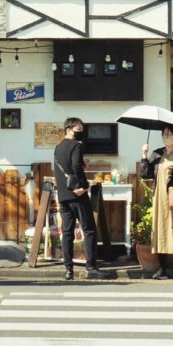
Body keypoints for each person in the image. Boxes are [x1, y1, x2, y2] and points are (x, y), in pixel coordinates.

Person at [52, 117, 112, 280]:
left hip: (63, 195)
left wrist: (69, 187)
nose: (81, 133)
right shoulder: (76, 146)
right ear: (69, 129)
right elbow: (76, 167)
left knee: (67, 232)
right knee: (89, 230)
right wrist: (83, 186)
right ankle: (91, 267)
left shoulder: (57, 148)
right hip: (77, 195)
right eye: (78, 130)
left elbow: (62, 169)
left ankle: (68, 270)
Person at [140, 125, 173, 280]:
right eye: (164, 134)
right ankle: (162, 269)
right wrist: (144, 155)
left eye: (170, 134)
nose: (166, 137)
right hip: (160, 198)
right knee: (161, 230)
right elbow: (145, 174)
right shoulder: (157, 153)